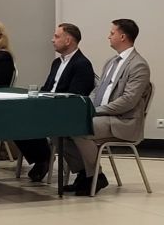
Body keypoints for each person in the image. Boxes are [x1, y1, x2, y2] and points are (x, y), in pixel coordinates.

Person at [63, 19, 152, 196]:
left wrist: (94, 111)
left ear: (122, 36)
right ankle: (85, 174)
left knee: (79, 128)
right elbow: (97, 90)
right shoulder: (111, 62)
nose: (108, 36)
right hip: (102, 116)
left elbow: (128, 101)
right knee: (60, 129)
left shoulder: (139, 65)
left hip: (122, 120)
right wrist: (86, 107)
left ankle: (93, 177)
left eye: (112, 33)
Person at [14, 23, 96, 182]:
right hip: (48, 107)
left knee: (27, 120)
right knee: (15, 118)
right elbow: (47, 88)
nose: (52, 40)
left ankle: (43, 158)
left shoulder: (82, 64)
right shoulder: (57, 63)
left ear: (68, 41)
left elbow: (76, 97)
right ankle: (41, 157)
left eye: (57, 36)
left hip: (62, 111)